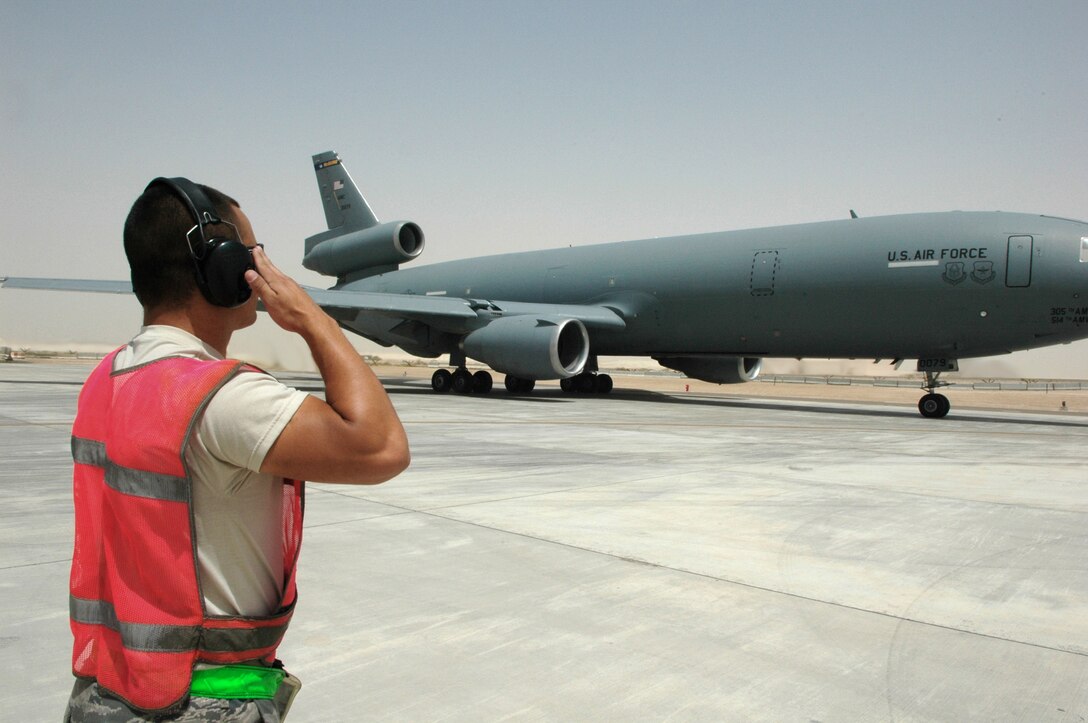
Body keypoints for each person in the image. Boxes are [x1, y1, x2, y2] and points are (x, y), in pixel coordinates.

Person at [63, 177, 410, 721]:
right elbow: (382, 447)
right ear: (219, 268)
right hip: (202, 701)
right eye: (250, 254)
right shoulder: (220, 397)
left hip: (108, 691)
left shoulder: (107, 378)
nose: (260, 268)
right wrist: (315, 319)